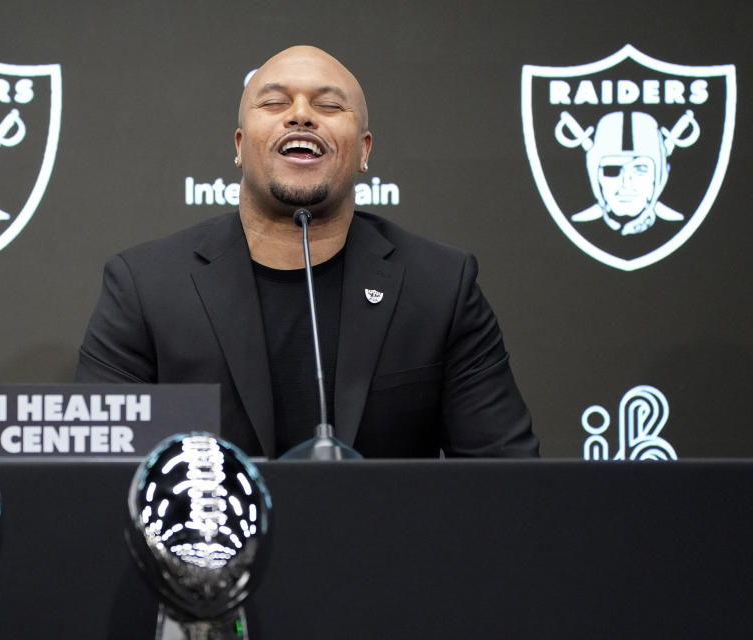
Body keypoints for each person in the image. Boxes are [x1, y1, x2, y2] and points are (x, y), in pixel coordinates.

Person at [76, 45, 539, 459]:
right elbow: (95, 478)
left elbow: (508, 479)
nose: (300, 116)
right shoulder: (145, 286)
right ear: (239, 147)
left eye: (330, 105)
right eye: (275, 103)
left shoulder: (439, 285)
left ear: (363, 151)